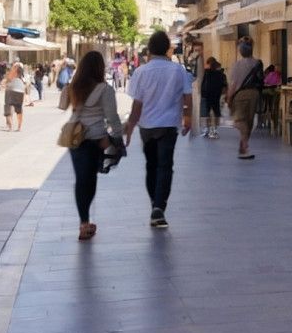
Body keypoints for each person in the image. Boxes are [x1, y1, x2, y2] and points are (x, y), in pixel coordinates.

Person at [123, 31, 193, 228]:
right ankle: (159, 207)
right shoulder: (178, 70)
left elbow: (137, 104)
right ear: (167, 49)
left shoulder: (141, 72)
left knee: (151, 165)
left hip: (147, 126)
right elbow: (188, 97)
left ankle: (155, 203)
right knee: (165, 166)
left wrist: (130, 127)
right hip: (169, 125)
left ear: (150, 49)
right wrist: (188, 119)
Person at [59, 51, 124, 241]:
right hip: (95, 138)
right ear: (99, 68)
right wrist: (118, 137)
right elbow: (112, 117)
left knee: (81, 179)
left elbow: (63, 106)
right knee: (90, 180)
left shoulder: (73, 87)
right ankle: (84, 223)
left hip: (74, 138)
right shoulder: (105, 89)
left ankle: (84, 220)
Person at [225, 38, 263, 161]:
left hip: (240, 95)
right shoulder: (258, 63)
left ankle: (245, 145)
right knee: (249, 120)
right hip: (254, 94)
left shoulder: (237, 65)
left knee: (240, 120)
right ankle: (243, 147)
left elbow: (233, 84)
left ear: (240, 51)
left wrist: (229, 98)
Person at [199, 57, 227, 139]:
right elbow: (224, 85)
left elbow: (203, 84)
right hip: (216, 95)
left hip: (207, 95)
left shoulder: (206, 73)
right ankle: (214, 130)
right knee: (216, 112)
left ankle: (207, 130)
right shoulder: (221, 74)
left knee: (206, 113)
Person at [3, 64, 28, 131]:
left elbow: (6, 82)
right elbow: (25, 86)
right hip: (20, 92)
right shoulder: (23, 78)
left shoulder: (11, 74)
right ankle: (19, 128)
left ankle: (10, 127)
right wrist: (25, 97)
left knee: (8, 108)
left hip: (10, 91)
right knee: (19, 110)